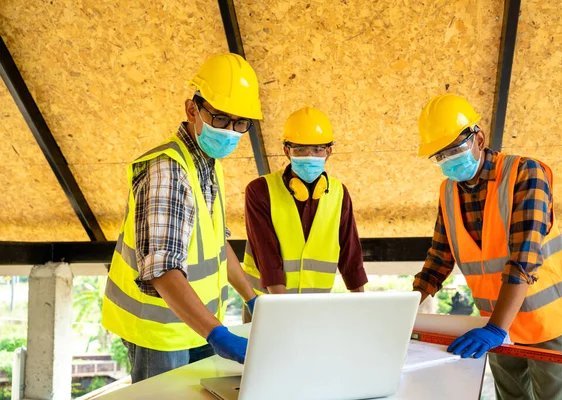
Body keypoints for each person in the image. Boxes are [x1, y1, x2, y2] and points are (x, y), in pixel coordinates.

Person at [101, 53, 260, 382]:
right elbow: (162, 270)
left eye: (240, 123)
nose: (230, 131)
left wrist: (253, 297)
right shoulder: (167, 171)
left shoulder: (208, 163)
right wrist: (218, 335)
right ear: (192, 110)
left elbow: (217, 245)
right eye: (220, 118)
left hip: (198, 326)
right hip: (159, 334)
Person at [412, 94, 562, 400]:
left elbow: (524, 258)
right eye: (440, 155)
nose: (448, 160)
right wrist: (406, 307)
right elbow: (439, 258)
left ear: (478, 138)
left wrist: (495, 329)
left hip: (546, 322)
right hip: (494, 322)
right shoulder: (448, 191)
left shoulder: (525, 174)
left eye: (454, 149)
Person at [242, 106, 367, 318]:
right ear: (286, 150)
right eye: (300, 149)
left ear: (329, 151)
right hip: (267, 307)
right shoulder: (260, 190)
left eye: (317, 149)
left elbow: (350, 255)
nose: (309, 156)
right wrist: (283, 313)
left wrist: (363, 308)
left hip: (314, 309)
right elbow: (267, 257)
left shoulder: (339, 193)